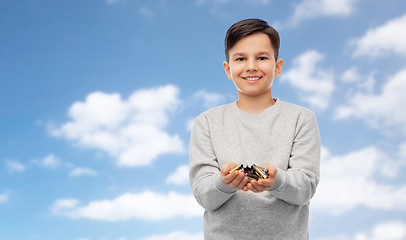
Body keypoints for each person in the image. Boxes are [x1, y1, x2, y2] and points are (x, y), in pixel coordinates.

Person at [189, 18, 321, 240]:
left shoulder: (301, 119)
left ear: (277, 66)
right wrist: (223, 182)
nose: (251, 66)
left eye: (261, 57)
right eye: (241, 58)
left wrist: (277, 180)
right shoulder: (207, 122)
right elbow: (204, 196)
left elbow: (305, 189)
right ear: (228, 69)